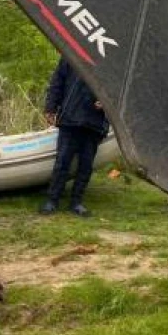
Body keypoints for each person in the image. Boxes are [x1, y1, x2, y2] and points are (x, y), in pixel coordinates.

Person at [40, 57, 109, 217]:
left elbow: (116, 89)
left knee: (85, 165)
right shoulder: (71, 53)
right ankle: (52, 200)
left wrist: (106, 102)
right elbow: (57, 81)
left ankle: (76, 202)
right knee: (62, 161)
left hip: (94, 122)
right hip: (70, 118)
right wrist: (51, 107)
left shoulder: (109, 60)